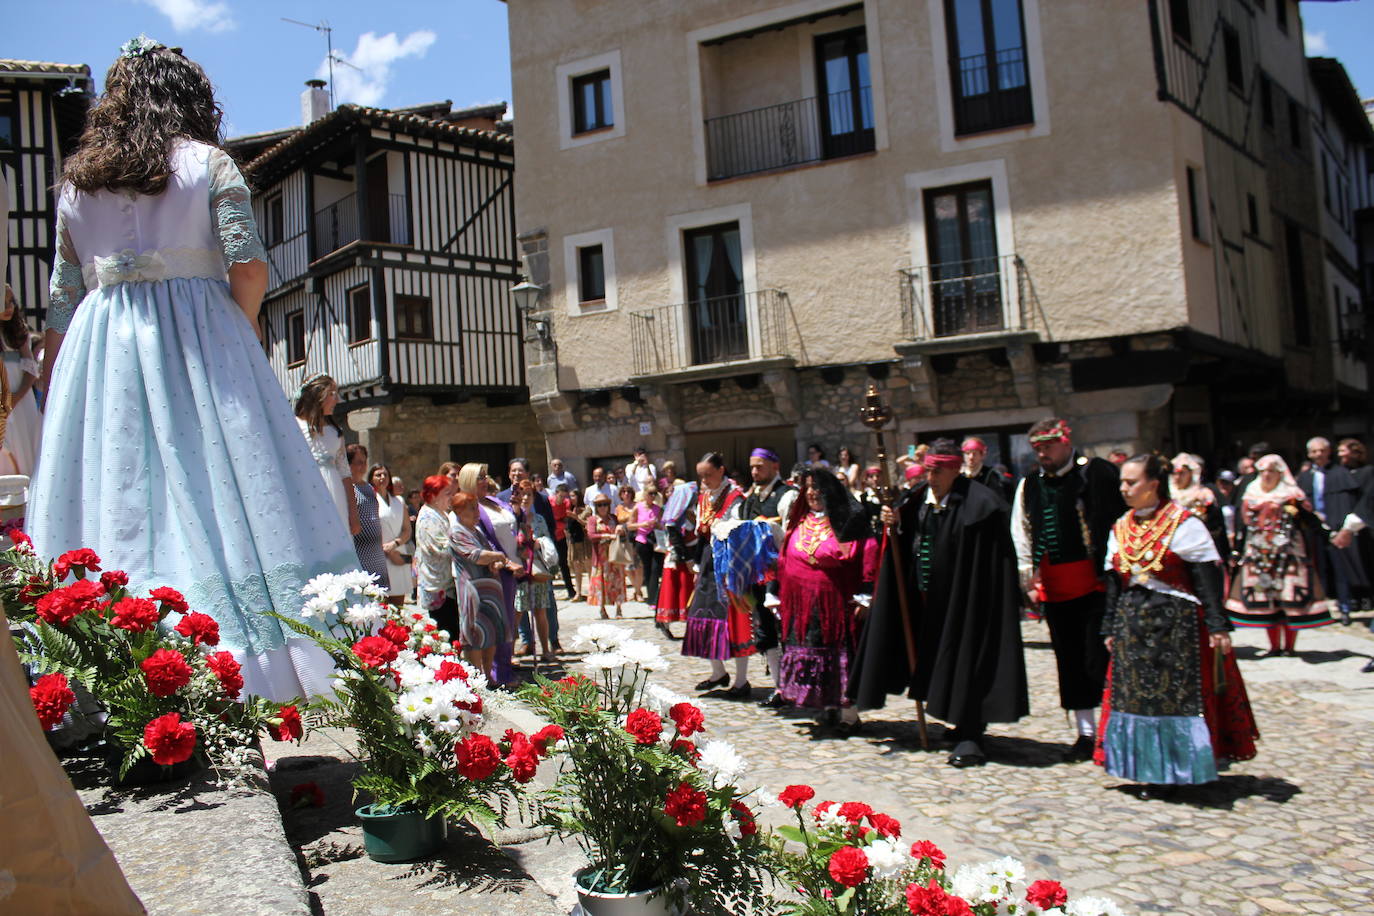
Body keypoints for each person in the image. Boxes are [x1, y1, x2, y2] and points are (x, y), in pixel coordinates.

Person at [30, 39, 357, 700]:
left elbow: (63, 299)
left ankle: (110, 663)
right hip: (198, 338)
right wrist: (241, 325)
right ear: (190, 99)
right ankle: (239, 664)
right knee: (216, 489)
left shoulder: (75, 187)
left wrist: (57, 385)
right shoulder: (209, 164)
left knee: (116, 494)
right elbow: (248, 262)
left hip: (104, 351)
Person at [852, 439, 1028, 767]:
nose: (930, 476)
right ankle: (955, 719)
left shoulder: (982, 505)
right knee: (937, 660)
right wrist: (894, 523)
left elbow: (989, 561)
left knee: (968, 660)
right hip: (925, 598)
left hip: (967, 600)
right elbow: (906, 537)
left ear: (955, 468)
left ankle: (971, 733)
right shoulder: (919, 499)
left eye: (937, 470)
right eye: (928, 469)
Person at [1098, 454, 1258, 797]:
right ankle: (1145, 768)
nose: (1124, 489)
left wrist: (1217, 625)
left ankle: (1179, 770)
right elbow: (1114, 583)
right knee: (1136, 700)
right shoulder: (1121, 526)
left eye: (1132, 482)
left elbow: (1206, 579)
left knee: (1173, 699)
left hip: (1177, 627)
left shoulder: (1184, 524)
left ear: (1153, 484)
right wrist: (1109, 626)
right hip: (1133, 625)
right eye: (1122, 483)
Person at [1010, 418, 1124, 760]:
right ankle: (1085, 734)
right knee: (1069, 662)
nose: (1043, 453)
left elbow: (1119, 521)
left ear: (1065, 442)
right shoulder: (1030, 484)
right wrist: (1028, 580)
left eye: (1048, 446)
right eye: (1037, 448)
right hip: (1056, 588)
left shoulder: (1097, 474)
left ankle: (1114, 730)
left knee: (1098, 659)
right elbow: (1022, 531)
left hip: (1096, 586)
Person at [774, 468, 877, 733]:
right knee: (815, 656)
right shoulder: (799, 520)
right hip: (803, 605)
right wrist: (776, 592)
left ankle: (849, 716)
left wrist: (866, 594)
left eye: (818, 487)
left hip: (837, 604)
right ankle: (827, 707)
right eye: (808, 487)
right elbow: (784, 557)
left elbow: (868, 553)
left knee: (840, 657)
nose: (812, 492)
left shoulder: (849, 520)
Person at [1227, 454, 1334, 654]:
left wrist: (1329, 536)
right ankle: (1274, 645)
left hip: (1289, 553)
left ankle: (1290, 646)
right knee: (1266, 597)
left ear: (1280, 473)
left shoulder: (1291, 494)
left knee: (1289, 597)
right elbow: (1243, 525)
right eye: (1263, 471)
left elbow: (1309, 520)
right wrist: (1237, 550)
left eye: (1271, 471)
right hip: (1259, 554)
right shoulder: (1251, 493)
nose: (1267, 475)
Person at [681, 452, 753, 697]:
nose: (704, 479)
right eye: (701, 475)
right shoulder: (703, 499)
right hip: (709, 561)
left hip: (731, 562)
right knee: (703, 613)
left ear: (721, 470)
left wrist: (718, 529)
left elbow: (739, 529)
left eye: (708, 474)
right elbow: (701, 534)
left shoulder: (735, 498)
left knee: (734, 617)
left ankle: (742, 681)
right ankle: (718, 672)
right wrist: (697, 565)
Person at [734, 447, 799, 708]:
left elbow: (789, 533)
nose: (754, 471)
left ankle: (797, 684)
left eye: (759, 466)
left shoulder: (787, 495)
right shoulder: (752, 497)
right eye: (752, 467)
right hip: (758, 574)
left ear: (774, 465)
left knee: (787, 629)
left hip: (783, 574)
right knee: (765, 629)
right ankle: (780, 687)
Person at [456, 462, 520, 684]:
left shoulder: (493, 501)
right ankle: (496, 674)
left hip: (511, 567)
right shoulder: (471, 508)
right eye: (479, 477)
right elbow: (483, 540)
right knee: (495, 625)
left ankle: (503, 669)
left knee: (507, 622)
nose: (485, 480)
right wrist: (502, 559)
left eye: (485, 476)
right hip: (493, 571)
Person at [1296, 437, 1365, 625]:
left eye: (1322, 450)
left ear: (1328, 452)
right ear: (1309, 454)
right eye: (1314, 451)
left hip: (1336, 529)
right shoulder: (1305, 477)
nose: (1318, 454)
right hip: (1314, 530)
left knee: (1341, 568)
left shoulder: (1340, 473)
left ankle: (1345, 607)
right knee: (1318, 570)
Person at [449, 490, 511, 678]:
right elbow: (475, 555)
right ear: (460, 511)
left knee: (491, 631)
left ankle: (488, 674)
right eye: (472, 508)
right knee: (475, 634)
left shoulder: (476, 530)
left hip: (489, 589)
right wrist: (498, 556)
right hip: (472, 589)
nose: (477, 511)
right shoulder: (456, 532)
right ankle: (476, 676)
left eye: (477, 507)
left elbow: (488, 551)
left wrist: (496, 561)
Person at [295, 374, 359, 537]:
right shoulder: (294, 427)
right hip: (307, 492)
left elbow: (345, 473)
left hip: (335, 494)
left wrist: (353, 512)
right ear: (317, 394)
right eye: (332, 393)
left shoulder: (335, 433)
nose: (337, 399)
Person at [510, 480, 556, 663]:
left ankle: (545, 649)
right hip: (520, 569)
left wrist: (536, 543)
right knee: (517, 611)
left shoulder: (539, 519)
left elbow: (546, 540)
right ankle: (511, 652)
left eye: (529, 494)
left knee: (540, 611)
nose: (526, 498)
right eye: (522, 494)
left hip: (536, 567)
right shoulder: (512, 518)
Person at [0, 285, 42, 475]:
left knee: (24, 441)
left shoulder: (19, 332)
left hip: (21, 400)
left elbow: (31, 370)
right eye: (4, 303)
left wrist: (17, 397)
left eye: (12, 302)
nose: (9, 307)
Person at [414, 474, 459, 635]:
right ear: (433, 496)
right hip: (437, 587)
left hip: (446, 585)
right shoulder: (427, 517)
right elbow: (441, 548)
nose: (451, 497)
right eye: (446, 493)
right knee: (445, 631)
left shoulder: (440, 513)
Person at [656, 473, 698, 636]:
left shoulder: (689, 512)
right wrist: (686, 558)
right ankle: (664, 621)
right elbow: (676, 538)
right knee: (675, 591)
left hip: (690, 556)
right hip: (680, 558)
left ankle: (691, 625)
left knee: (687, 590)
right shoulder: (675, 517)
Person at [1170, 453, 1230, 562]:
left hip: (1200, 548)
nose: (1177, 477)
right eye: (1174, 473)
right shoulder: (1168, 497)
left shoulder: (1204, 495)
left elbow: (1217, 525)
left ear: (1192, 474)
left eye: (1182, 473)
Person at [347, 444, 390, 592]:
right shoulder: (347, 489)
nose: (363, 466)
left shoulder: (369, 488)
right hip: (360, 553)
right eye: (358, 462)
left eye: (364, 462)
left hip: (376, 554)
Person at [370, 463, 412, 607]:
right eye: (378, 475)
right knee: (382, 604)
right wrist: (386, 550)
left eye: (385, 474)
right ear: (371, 478)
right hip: (380, 555)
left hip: (399, 552)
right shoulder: (370, 500)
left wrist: (395, 544)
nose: (382, 477)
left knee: (399, 606)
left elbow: (407, 529)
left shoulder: (399, 501)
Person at [587, 493, 626, 618]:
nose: (602, 507)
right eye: (599, 505)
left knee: (617, 581)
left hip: (614, 555)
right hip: (600, 557)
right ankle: (602, 608)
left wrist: (620, 530)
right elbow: (591, 535)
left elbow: (623, 533)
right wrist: (607, 536)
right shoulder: (592, 520)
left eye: (605, 504)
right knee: (601, 583)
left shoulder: (613, 518)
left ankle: (619, 608)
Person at [630, 483, 664, 606]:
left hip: (655, 541)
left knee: (656, 569)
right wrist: (642, 525)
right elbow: (629, 525)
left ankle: (654, 598)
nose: (653, 496)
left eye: (655, 493)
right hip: (642, 540)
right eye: (650, 493)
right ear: (645, 494)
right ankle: (651, 598)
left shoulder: (658, 509)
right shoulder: (638, 507)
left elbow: (662, 525)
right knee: (647, 569)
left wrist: (657, 525)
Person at [614, 483, 642, 601]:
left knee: (638, 566)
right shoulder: (618, 508)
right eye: (624, 492)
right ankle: (637, 589)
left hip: (637, 536)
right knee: (628, 567)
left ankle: (638, 592)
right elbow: (616, 522)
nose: (626, 494)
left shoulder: (637, 505)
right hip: (624, 538)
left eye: (629, 492)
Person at [961, 436, 1009, 501]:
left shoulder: (990, 475)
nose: (971, 457)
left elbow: (997, 500)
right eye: (967, 453)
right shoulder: (958, 474)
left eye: (974, 454)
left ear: (982, 455)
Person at [565, 489, 591, 601]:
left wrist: (576, 517)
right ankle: (579, 593)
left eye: (573, 496)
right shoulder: (569, 509)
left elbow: (588, 523)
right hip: (574, 541)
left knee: (588, 566)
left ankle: (592, 591)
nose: (572, 498)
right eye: (570, 496)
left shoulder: (586, 509)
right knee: (576, 567)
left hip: (584, 540)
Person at [551, 482, 576, 598]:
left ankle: (570, 590)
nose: (562, 499)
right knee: (550, 563)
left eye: (564, 496)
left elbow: (566, 520)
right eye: (560, 496)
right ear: (556, 494)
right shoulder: (549, 503)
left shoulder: (566, 503)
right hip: (551, 536)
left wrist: (559, 523)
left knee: (563, 563)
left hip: (560, 536)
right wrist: (559, 523)